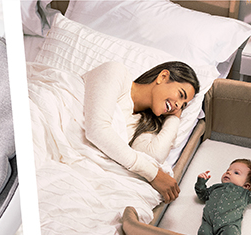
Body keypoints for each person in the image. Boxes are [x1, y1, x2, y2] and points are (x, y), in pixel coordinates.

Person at [83, 61, 200, 203]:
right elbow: (97, 129)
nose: (178, 105)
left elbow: (154, 155)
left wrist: (174, 117)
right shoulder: (117, 72)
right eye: (180, 95)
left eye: (183, 106)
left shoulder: (140, 125)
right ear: (163, 77)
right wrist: (154, 174)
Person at [194, 159, 251, 235]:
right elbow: (202, 196)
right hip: (209, 223)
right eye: (227, 170)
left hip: (228, 224)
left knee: (230, 234)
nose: (228, 173)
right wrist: (200, 183)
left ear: (246, 186)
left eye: (236, 173)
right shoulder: (215, 188)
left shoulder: (244, 194)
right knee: (202, 234)